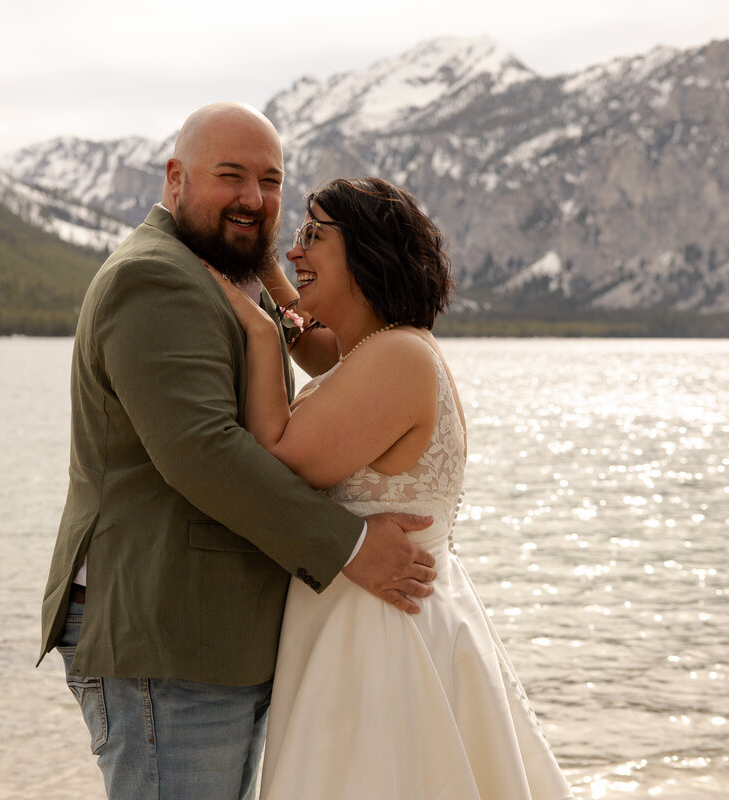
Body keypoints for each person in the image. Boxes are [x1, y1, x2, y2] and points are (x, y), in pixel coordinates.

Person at [36, 104, 439, 800]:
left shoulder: (221, 270)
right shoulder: (155, 278)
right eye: (230, 176)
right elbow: (203, 454)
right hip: (168, 640)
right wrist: (351, 547)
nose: (253, 198)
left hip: (215, 642)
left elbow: (327, 358)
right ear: (175, 178)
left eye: (270, 180)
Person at [208, 177, 574, 799]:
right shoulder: (380, 350)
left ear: (368, 253)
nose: (297, 252)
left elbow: (273, 461)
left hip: (380, 643)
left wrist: (260, 330)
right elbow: (322, 355)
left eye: (312, 237)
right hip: (382, 624)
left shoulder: (396, 359)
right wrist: (265, 266)